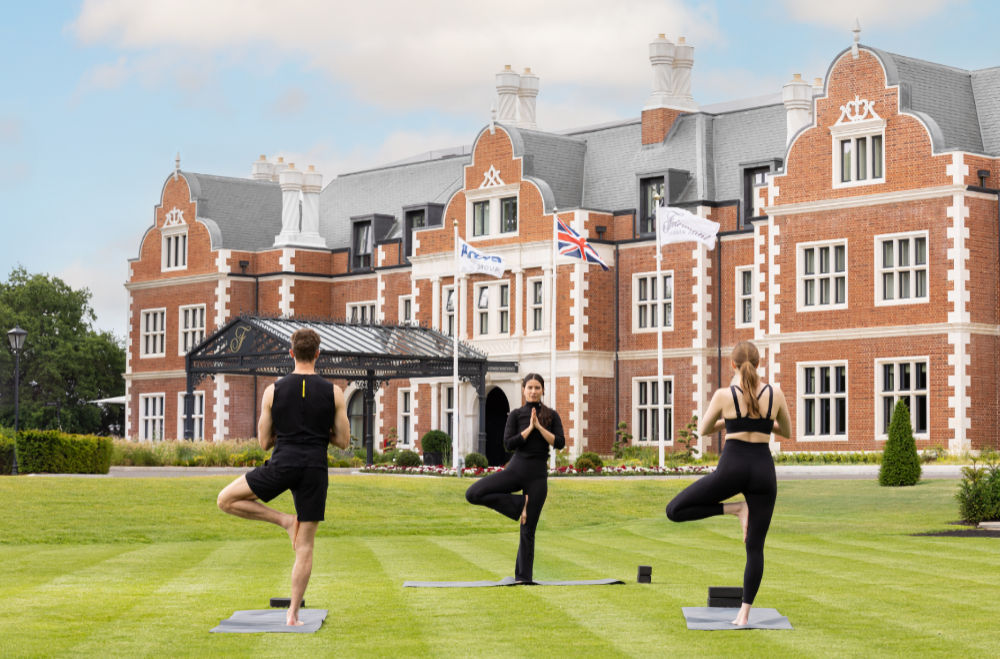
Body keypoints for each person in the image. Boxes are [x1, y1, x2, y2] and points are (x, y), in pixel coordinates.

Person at [217, 328, 350, 626]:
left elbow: (264, 442)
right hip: (314, 469)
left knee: (225, 500)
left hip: (282, 464)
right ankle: (292, 615)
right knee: (305, 547)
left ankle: (283, 520)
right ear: (318, 354)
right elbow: (343, 441)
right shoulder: (334, 392)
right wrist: (318, 434)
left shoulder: (272, 391)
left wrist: (288, 434)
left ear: (291, 353)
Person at [665, 340, 791, 626]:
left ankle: (734, 509)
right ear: (759, 364)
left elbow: (704, 429)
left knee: (674, 510)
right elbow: (787, 431)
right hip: (762, 470)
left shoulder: (724, 395)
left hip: (732, 467)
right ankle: (744, 614)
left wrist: (730, 422)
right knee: (755, 548)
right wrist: (758, 421)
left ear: (731, 365)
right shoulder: (776, 393)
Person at [465, 373, 565, 583]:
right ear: (523, 390)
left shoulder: (551, 415)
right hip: (516, 470)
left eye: (537, 387)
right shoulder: (516, 415)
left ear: (543, 390)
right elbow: (508, 444)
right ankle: (520, 504)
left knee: (528, 530)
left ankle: (523, 578)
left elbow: (560, 443)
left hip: (537, 477)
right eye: (530, 387)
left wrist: (539, 427)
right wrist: (529, 429)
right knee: (473, 493)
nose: (533, 391)